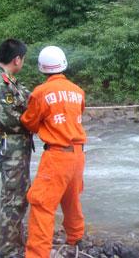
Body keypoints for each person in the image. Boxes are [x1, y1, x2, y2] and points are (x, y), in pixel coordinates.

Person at [20, 46, 87, 258]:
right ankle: (76, 238)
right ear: (63, 64)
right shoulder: (77, 90)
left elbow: (29, 122)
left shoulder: (40, 93)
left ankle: (37, 254)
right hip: (78, 155)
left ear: (42, 68)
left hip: (57, 155)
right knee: (71, 198)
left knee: (41, 204)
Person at [0, 38, 33, 258]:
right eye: (23, 58)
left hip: (14, 146)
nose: (23, 62)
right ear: (17, 59)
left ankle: (14, 244)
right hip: (10, 145)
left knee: (18, 197)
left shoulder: (8, 80)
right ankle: (8, 251)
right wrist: (35, 121)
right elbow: (10, 119)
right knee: (13, 199)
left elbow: (27, 99)